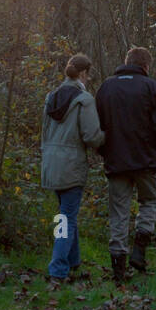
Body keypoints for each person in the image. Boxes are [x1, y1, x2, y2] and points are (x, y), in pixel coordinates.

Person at [95, 45, 156, 284]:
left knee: (118, 211)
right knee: (149, 201)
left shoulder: (106, 87)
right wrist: (153, 148)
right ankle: (139, 250)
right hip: (145, 160)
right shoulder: (153, 87)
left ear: (126, 61)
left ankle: (118, 269)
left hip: (115, 160)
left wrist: (105, 150)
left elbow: (96, 126)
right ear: (146, 66)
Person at [40, 52, 105, 282]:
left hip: (51, 163)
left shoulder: (51, 97)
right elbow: (91, 136)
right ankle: (57, 270)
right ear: (84, 73)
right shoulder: (84, 100)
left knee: (66, 214)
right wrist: (107, 138)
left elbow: (44, 132)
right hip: (71, 165)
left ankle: (73, 262)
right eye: (89, 75)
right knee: (66, 217)